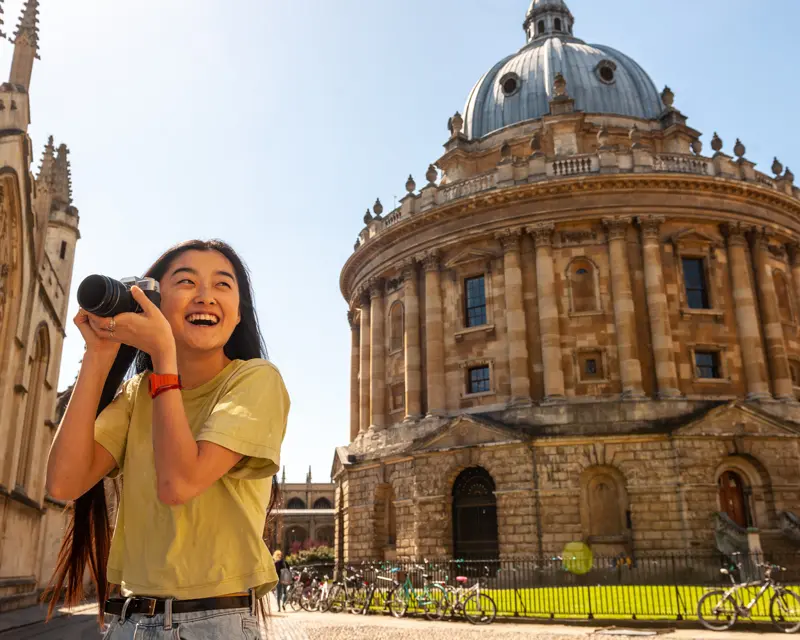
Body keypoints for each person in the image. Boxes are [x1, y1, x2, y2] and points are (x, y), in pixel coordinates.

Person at [44, 239, 290, 639]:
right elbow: (63, 482)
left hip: (214, 624)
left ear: (239, 312)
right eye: (187, 282)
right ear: (153, 301)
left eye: (223, 285)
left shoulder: (256, 380)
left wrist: (163, 354)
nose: (206, 297)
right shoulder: (135, 394)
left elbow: (178, 483)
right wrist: (99, 355)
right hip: (129, 622)